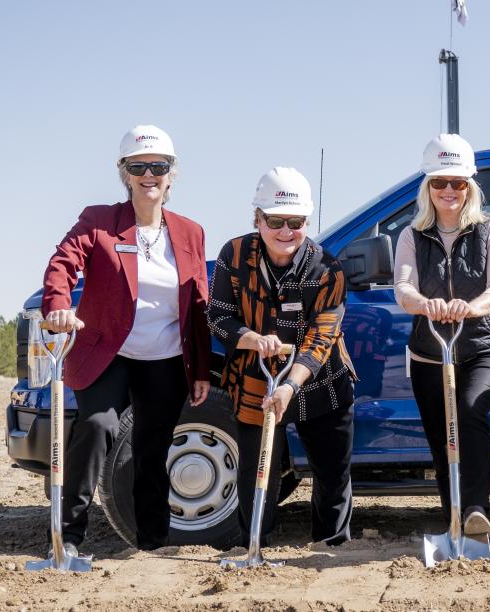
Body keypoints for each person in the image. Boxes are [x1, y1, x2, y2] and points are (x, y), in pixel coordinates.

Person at [41, 125, 211, 553]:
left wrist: (203, 369)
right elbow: (64, 263)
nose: (149, 174)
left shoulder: (190, 233)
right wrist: (59, 305)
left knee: (150, 450)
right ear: (124, 173)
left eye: (159, 166)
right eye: (139, 167)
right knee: (97, 427)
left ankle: (153, 544)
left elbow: (200, 305)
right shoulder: (99, 221)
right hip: (110, 352)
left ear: (172, 174)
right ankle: (68, 539)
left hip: (167, 358)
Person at [208, 167, 356, 547]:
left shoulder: (328, 269)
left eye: (296, 221)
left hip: (319, 378)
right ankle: (255, 541)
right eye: (275, 221)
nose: (286, 231)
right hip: (257, 377)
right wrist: (251, 339)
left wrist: (291, 384)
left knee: (332, 470)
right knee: (257, 467)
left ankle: (331, 544)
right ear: (258, 219)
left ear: (307, 221)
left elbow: (323, 337)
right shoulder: (234, 255)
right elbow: (218, 314)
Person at [393, 134, 490, 537]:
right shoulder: (412, 236)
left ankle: (477, 510)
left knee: (467, 410)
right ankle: (455, 520)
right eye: (440, 182)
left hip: (486, 347)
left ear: (470, 187)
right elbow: (404, 289)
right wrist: (426, 305)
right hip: (431, 350)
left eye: (458, 183)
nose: (449, 190)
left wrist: (472, 306)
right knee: (442, 434)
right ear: (428, 187)